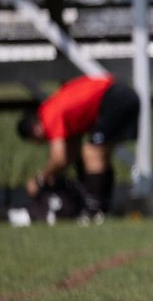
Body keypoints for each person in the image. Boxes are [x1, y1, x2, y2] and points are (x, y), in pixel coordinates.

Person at [17, 73, 140, 223]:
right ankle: (103, 208)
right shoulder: (57, 109)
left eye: (37, 141)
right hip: (121, 94)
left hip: (113, 97)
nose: (43, 143)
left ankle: (94, 211)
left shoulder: (48, 115)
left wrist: (40, 179)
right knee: (100, 156)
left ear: (35, 130)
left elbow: (59, 157)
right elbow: (71, 154)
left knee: (92, 153)